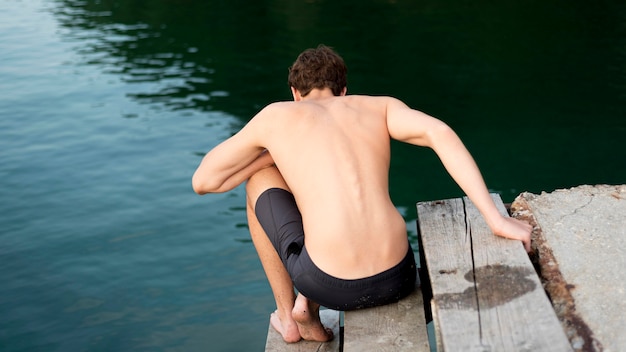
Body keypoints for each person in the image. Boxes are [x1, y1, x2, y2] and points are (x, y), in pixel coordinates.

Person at [192, 45, 532, 343]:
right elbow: (439, 133)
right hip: (397, 278)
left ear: (295, 93)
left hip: (327, 285)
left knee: (259, 182)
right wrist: (495, 219)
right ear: (343, 90)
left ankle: (288, 315)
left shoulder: (277, 117)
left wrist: (269, 155)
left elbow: (205, 182)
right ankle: (304, 307)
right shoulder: (379, 107)